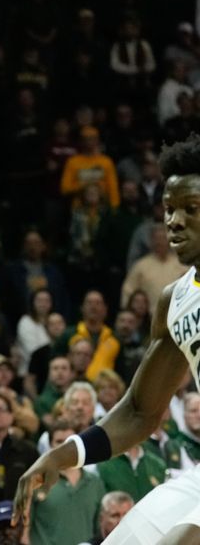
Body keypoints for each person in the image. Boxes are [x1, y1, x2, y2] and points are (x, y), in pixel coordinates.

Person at [13, 136, 200, 543]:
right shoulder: (177, 300)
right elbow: (138, 411)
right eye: (169, 210)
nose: (175, 221)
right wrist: (63, 453)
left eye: (191, 209)